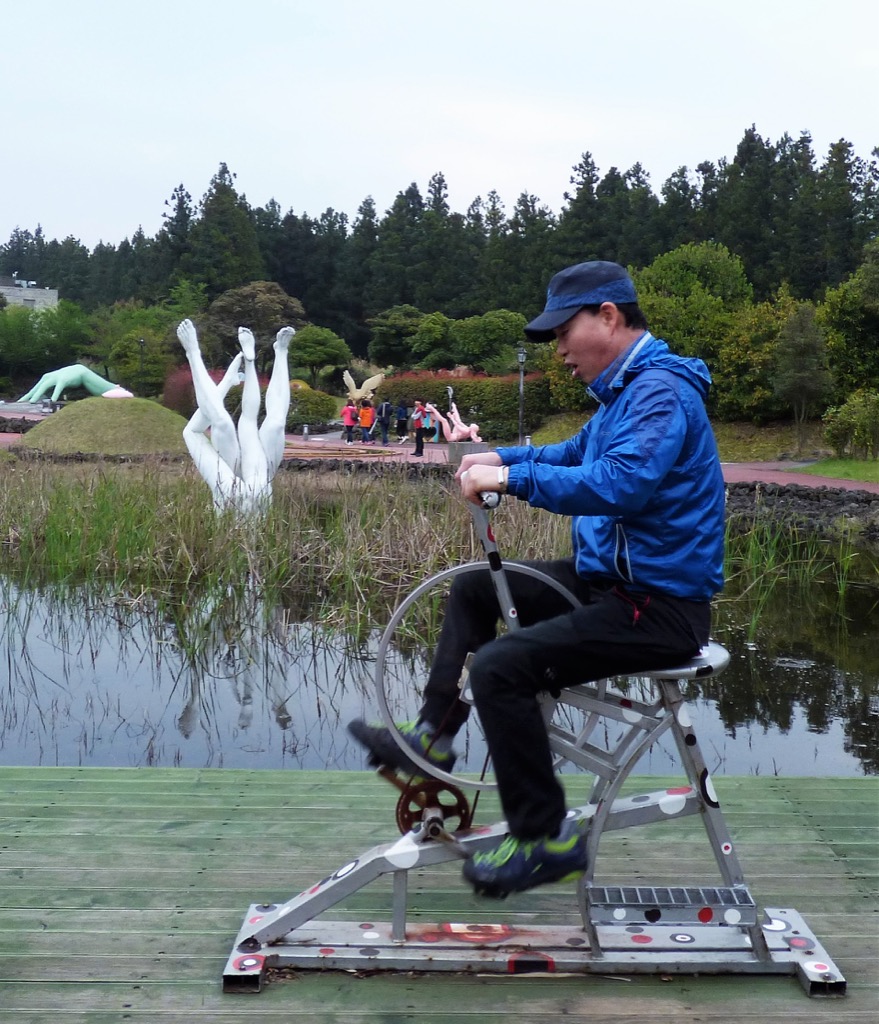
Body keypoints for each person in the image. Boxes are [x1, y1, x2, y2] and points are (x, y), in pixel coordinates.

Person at [349, 260, 725, 897]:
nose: (559, 351)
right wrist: (498, 454)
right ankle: (432, 738)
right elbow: (570, 455)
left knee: (500, 668)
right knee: (475, 586)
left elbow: (621, 484)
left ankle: (545, 838)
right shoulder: (625, 395)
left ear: (608, 317)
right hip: (610, 585)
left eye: (563, 332)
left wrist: (509, 478)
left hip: (658, 606)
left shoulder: (659, 393)